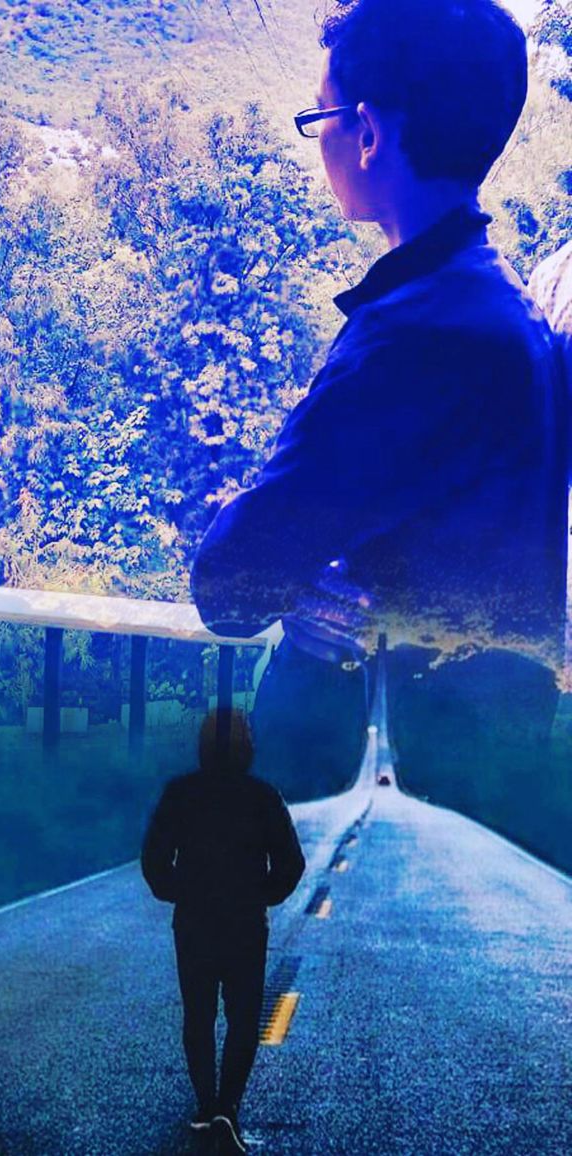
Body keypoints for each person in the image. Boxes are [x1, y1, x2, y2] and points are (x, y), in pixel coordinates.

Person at [190, 0, 568, 806]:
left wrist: (274, 554)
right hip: (483, 772)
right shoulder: (506, 309)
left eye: (320, 117)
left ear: (366, 132)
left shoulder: (414, 336)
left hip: (372, 798)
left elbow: (231, 584)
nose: (319, 141)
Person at [141, 707, 305, 1153]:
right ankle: (227, 1107)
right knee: (243, 1018)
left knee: (198, 1015)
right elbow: (291, 863)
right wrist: (261, 895)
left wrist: (180, 891)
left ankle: (205, 1103)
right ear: (246, 747)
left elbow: (154, 860)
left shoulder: (180, 793)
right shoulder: (262, 797)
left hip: (194, 921)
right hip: (245, 923)